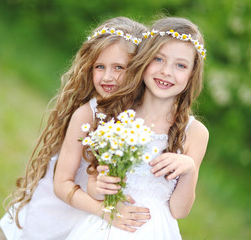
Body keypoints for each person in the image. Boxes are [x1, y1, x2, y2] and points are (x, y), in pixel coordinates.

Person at [0, 17, 149, 240]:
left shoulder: (142, 117)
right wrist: (104, 211)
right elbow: (61, 184)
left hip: (96, 224)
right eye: (100, 66)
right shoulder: (87, 115)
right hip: (60, 212)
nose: (107, 77)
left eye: (119, 67)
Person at [65, 16, 209, 240]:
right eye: (159, 59)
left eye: (180, 65)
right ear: (144, 59)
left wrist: (189, 169)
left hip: (156, 230)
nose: (167, 72)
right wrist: (100, 185)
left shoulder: (195, 132)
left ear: (191, 74)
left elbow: (179, 211)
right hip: (109, 225)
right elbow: (94, 186)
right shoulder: (118, 114)